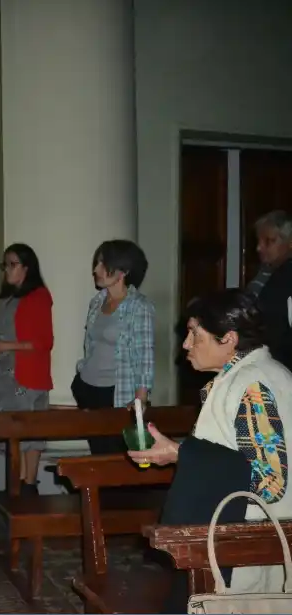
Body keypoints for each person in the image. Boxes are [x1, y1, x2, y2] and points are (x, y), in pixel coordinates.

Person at [131, 289, 290, 596]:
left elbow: (269, 482)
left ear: (228, 339)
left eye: (194, 334)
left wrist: (181, 453)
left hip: (250, 549)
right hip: (245, 540)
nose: (186, 344)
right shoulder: (265, 374)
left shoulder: (251, 386)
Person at [0, 243, 53, 496]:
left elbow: (44, 342)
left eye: (12, 264)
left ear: (26, 268)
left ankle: (28, 484)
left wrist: (3, 345)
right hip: (6, 374)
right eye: (5, 265)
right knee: (12, 432)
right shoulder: (9, 298)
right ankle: (18, 484)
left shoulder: (38, 296)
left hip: (28, 374)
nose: (7, 270)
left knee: (29, 432)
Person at [73, 239, 155, 454]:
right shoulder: (97, 302)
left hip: (116, 392)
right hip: (88, 388)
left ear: (123, 272)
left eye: (102, 264)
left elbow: (144, 357)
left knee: (115, 455)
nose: (95, 270)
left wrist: (141, 399)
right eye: (97, 263)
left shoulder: (139, 307)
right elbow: (91, 344)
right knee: (97, 451)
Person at [247, 211, 292, 370]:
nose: (259, 248)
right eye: (258, 241)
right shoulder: (266, 272)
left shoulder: (285, 277)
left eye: (268, 241)